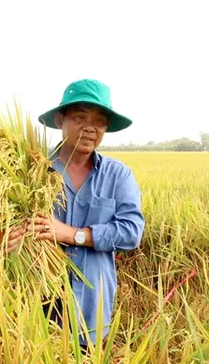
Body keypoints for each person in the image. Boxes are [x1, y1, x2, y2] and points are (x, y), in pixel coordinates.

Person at [28, 79, 145, 350]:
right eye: (80, 117)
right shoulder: (31, 170)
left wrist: (72, 234)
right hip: (35, 299)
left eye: (100, 121)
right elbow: (1, 227)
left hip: (92, 307)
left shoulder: (118, 176)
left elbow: (131, 232)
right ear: (60, 120)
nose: (90, 127)